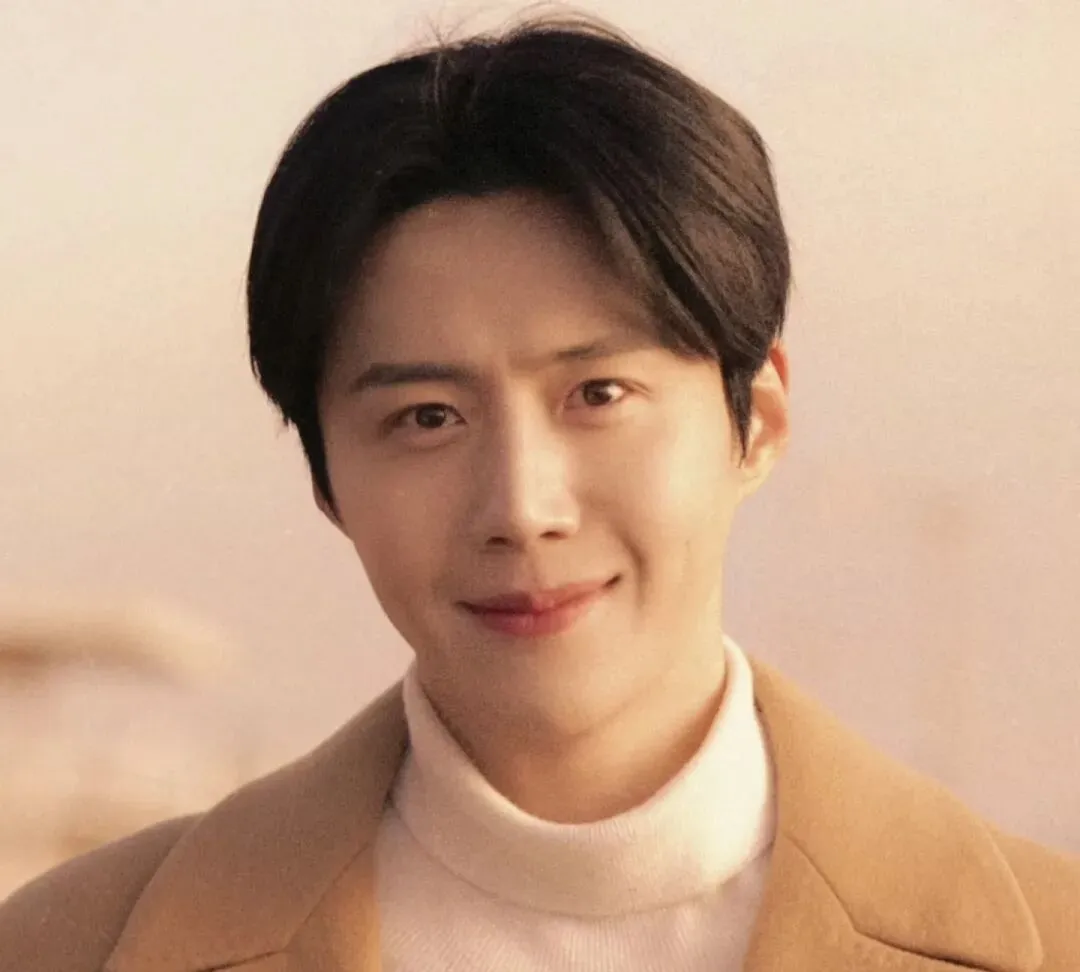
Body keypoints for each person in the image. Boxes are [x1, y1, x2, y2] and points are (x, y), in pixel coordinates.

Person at [1, 15, 1076, 972]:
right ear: (326, 479)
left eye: (598, 394)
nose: (522, 507)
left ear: (757, 422)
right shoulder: (66, 950)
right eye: (427, 418)